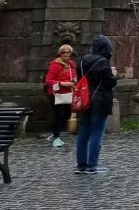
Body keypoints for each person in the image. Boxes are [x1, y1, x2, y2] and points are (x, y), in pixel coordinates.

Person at [74, 35, 118, 174]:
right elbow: (110, 82)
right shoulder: (103, 61)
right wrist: (113, 74)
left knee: (83, 132)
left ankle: (81, 164)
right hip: (100, 101)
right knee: (97, 132)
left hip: (84, 99)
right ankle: (92, 165)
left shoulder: (82, 61)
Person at [43, 44, 77, 148]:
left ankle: (54, 135)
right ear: (60, 54)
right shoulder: (55, 65)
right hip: (56, 94)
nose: (66, 54)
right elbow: (48, 81)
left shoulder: (72, 64)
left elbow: (74, 76)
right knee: (57, 116)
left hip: (67, 94)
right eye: (63, 52)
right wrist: (62, 83)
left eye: (68, 52)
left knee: (66, 115)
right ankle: (56, 138)